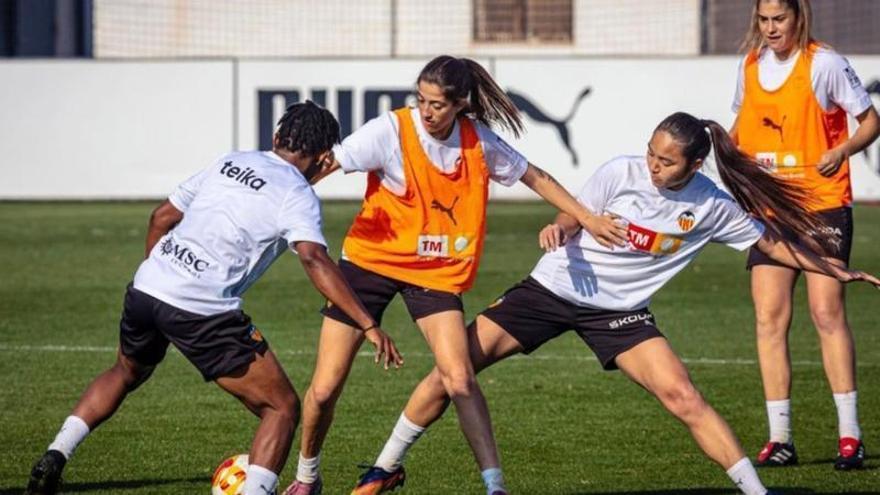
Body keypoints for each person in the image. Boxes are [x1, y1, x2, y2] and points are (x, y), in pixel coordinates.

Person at [351, 112, 880, 495]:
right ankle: (384, 468)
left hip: (618, 313)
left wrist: (834, 268)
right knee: (454, 369)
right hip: (553, 290)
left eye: (667, 161)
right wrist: (558, 228)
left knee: (683, 397)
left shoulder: (712, 205)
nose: (653, 165)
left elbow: (772, 243)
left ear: (695, 163)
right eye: (651, 152)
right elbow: (573, 212)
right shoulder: (620, 172)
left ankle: (755, 491)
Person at [284, 55, 626, 495]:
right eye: (421, 100)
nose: (426, 111)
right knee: (326, 387)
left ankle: (495, 486)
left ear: (461, 104)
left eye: (437, 105)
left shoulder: (478, 142)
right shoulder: (389, 131)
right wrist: (272, 198)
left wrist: (586, 217)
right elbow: (323, 168)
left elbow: (536, 177)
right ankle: (306, 477)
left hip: (436, 272)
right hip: (368, 264)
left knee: (459, 377)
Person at [25, 101, 402, 495]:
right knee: (282, 409)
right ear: (324, 158)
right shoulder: (297, 193)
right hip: (202, 309)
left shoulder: (231, 160)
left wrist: (164, 280)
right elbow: (313, 258)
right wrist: (367, 322)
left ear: (276, 138)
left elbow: (161, 217)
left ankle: (56, 453)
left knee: (124, 371)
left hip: (149, 285)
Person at [731, 0, 880, 470]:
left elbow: (871, 121)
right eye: (764, 20)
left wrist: (843, 149)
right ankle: (780, 439)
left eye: (780, 19)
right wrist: (725, 163)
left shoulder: (825, 64)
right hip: (770, 211)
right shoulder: (750, 66)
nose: (771, 29)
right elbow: (739, 128)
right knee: (769, 318)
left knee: (826, 312)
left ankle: (850, 437)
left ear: (799, 17)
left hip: (820, 205)